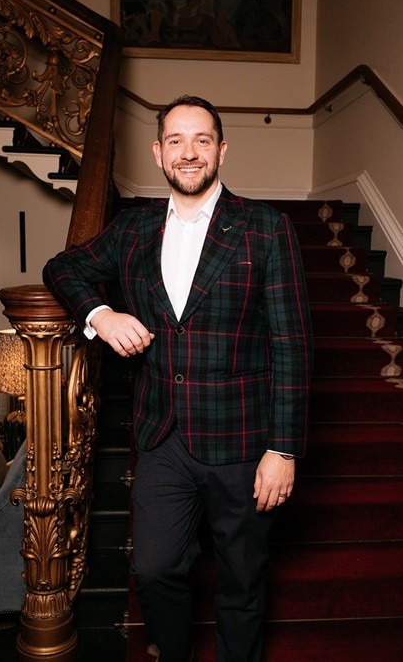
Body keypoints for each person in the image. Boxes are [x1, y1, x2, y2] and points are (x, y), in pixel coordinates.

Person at [43, 95, 313, 662]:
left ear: (221, 150)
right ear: (158, 152)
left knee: (241, 579)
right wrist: (101, 315)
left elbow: (291, 344)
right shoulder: (133, 227)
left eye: (201, 140)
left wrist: (283, 449)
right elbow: (62, 267)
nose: (188, 153)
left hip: (243, 441)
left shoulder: (266, 228)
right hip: (161, 435)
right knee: (155, 567)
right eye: (176, 141)